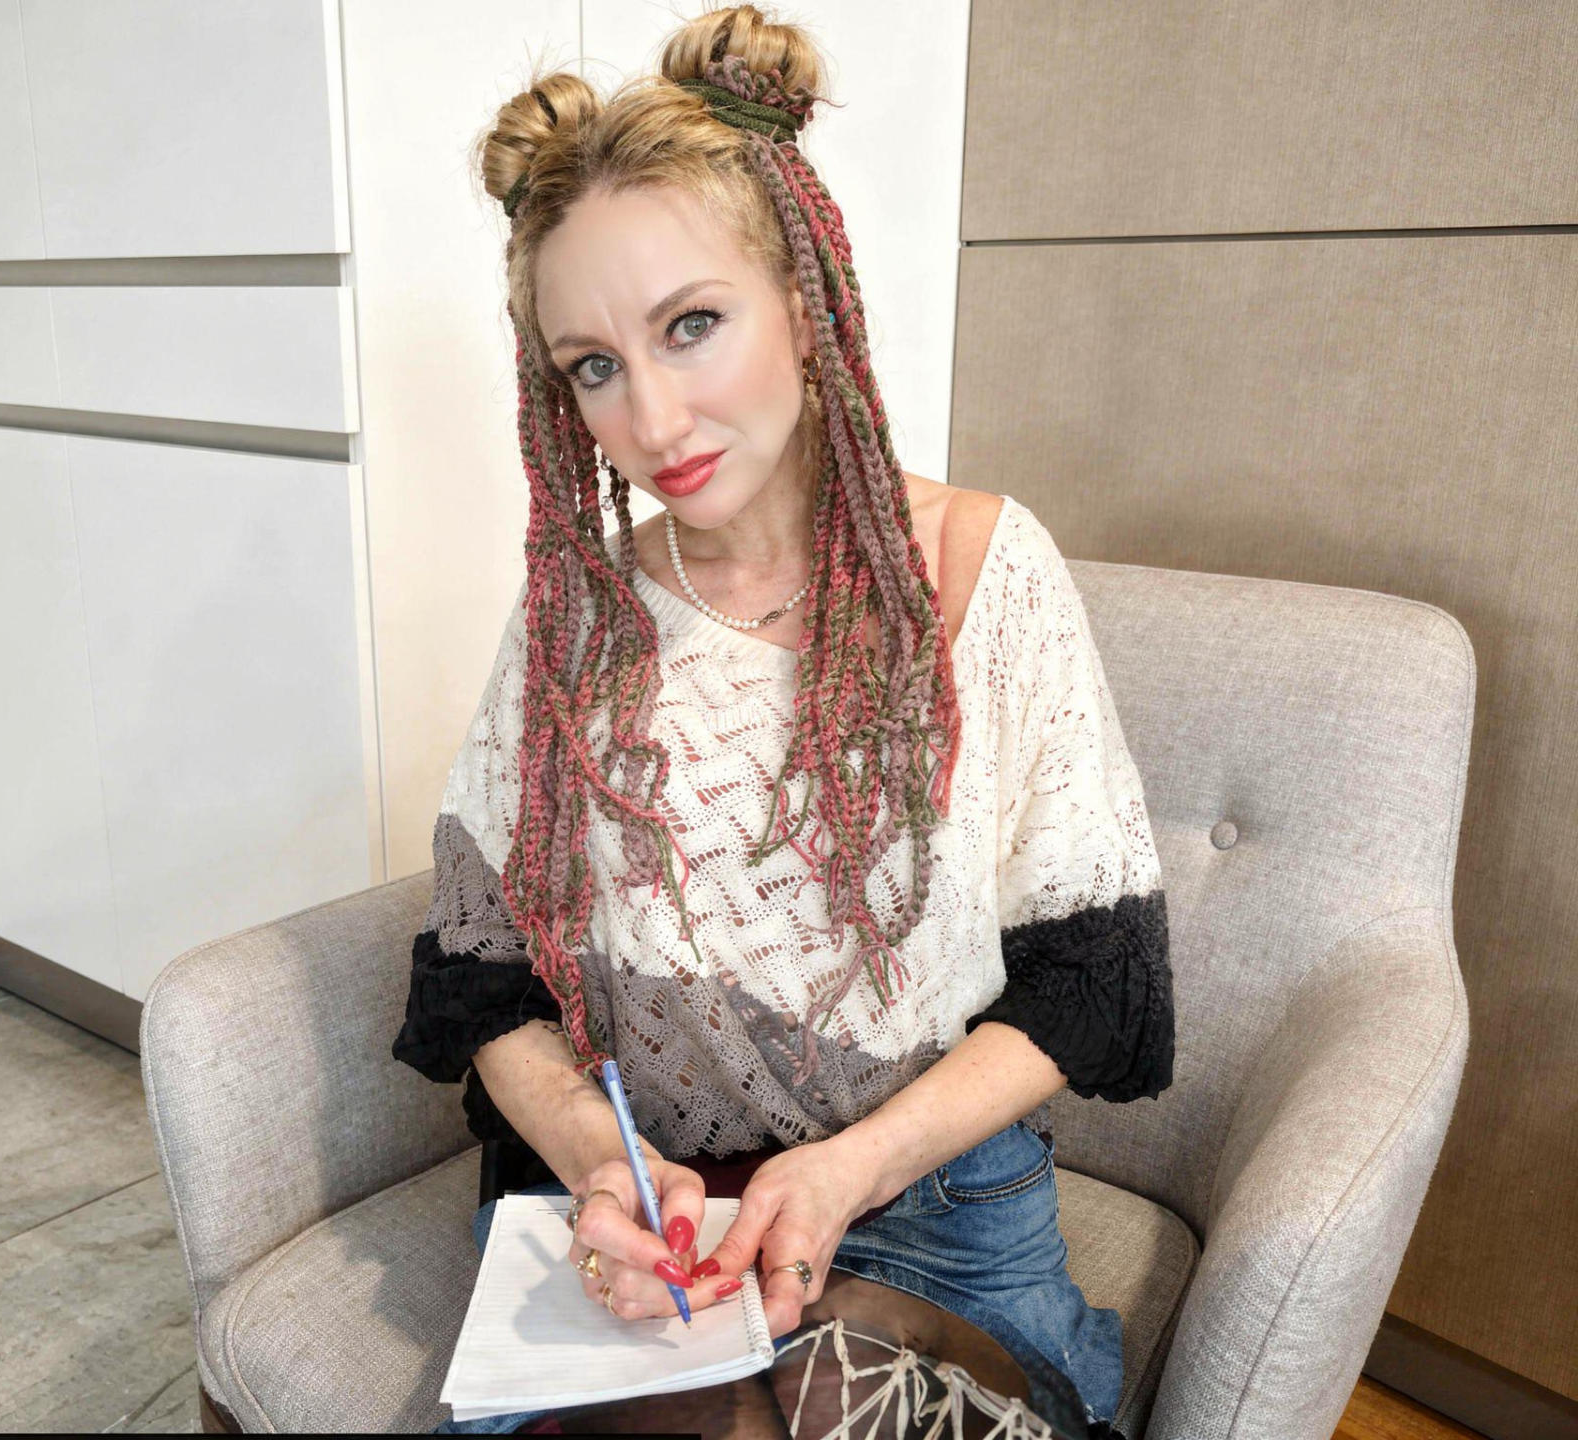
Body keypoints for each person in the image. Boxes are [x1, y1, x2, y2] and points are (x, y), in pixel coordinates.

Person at [392, 7, 1174, 1436]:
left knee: (838, 1391)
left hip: (931, 1209)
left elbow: (1094, 977)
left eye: (692, 325)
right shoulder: (576, 615)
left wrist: (848, 1167)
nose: (651, 417)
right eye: (593, 365)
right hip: (649, 1230)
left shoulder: (984, 574)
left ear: (803, 302)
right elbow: (478, 974)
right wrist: (596, 1159)